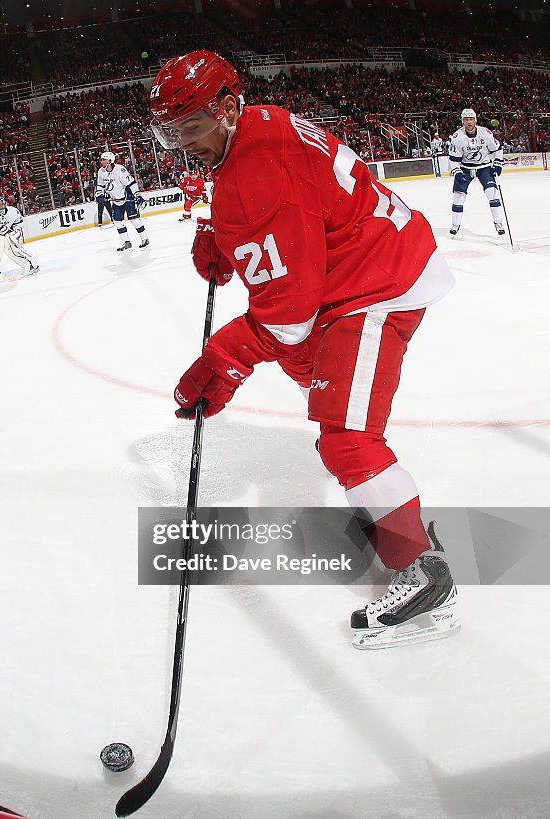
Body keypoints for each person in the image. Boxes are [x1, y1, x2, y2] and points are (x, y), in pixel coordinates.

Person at [150, 51, 459, 649]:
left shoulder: (258, 173)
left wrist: (225, 360)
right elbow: (282, 214)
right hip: (349, 268)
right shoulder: (256, 126)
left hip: (375, 280)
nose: (183, 144)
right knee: (311, 377)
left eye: (191, 128)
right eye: (171, 132)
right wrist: (219, 228)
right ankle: (396, 518)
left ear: (227, 107)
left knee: (346, 434)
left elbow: (287, 314)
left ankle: (423, 572)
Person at [447, 108, 505, 236]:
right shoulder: (457, 137)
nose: (469, 122)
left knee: (492, 193)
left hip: (483, 167)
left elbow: (498, 148)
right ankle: (455, 225)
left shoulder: (485, 133)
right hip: (465, 169)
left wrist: (497, 163)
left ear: (475, 120)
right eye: (466, 119)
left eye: (471, 119)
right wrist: (457, 172)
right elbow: (453, 159)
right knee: (458, 196)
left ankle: (498, 223)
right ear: (462, 121)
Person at [95, 151, 149, 251]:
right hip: (116, 201)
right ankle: (126, 242)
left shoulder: (120, 170)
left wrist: (137, 195)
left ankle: (144, 239)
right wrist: (99, 195)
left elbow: (131, 183)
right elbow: (100, 185)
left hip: (127, 197)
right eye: (102, 159)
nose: (101, 161)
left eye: (104, 159)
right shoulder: (101, 172)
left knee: (134, 220)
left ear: (110, 161)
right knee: (117, 222)